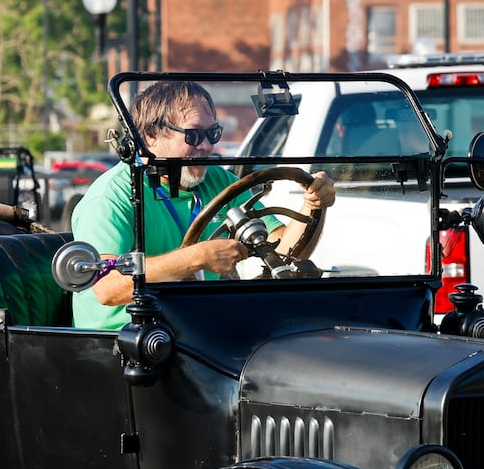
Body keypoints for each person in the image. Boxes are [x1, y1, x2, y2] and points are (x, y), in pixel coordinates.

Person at [71, 80, 335, 330]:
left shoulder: (218, 182)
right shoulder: (111, 196)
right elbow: (107, 287)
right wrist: (197, 258)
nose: (208, 146)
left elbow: (289, 253)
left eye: (213, 133)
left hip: (193, 328)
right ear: (151, 135)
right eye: (194, 135)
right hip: (124, 340)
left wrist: (314, 205)